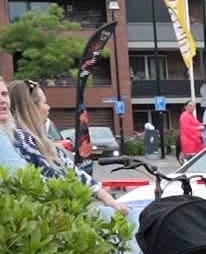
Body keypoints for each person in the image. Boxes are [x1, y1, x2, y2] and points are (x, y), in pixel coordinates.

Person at [7, 81, 127, 218]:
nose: (48, 108)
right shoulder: (23, 142)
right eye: (44, 103)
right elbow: (58, 181)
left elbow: (75, 173)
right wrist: (110, 201)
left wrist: (109, 200)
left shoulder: (41, 142)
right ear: (31, 108)